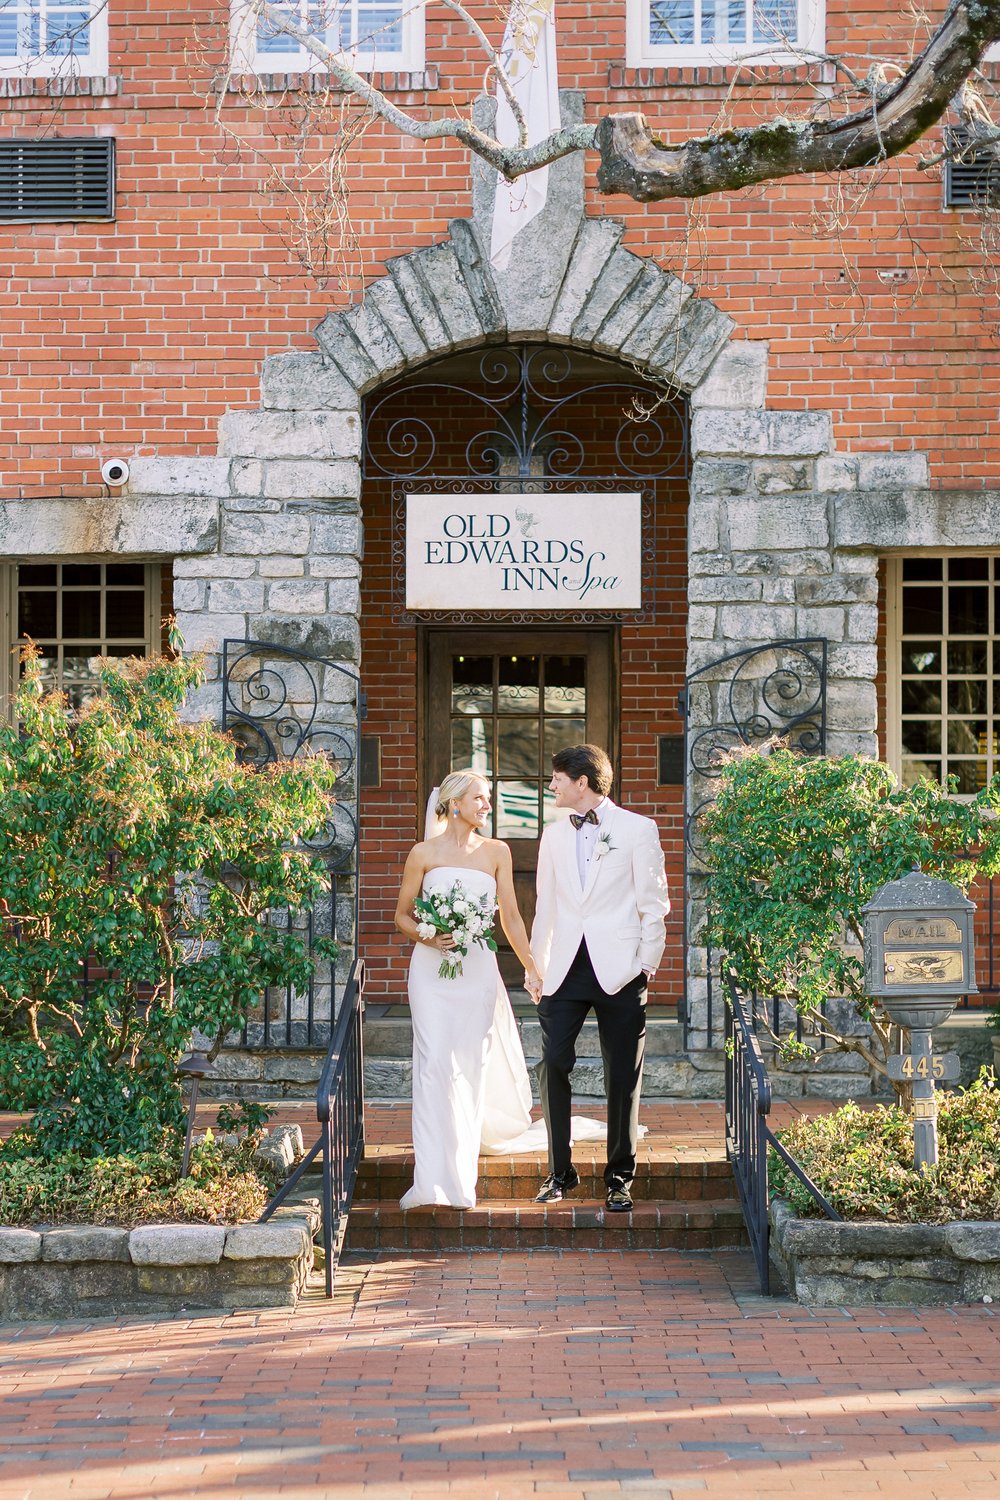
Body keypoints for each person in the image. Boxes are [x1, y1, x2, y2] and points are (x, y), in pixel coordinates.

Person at [393, 769, 545, 1210]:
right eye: (480, 798)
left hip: (477, 970)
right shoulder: (422, 853)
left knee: (469, 1066)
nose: (488, 805)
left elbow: (511, 918)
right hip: (431, 973)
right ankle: (432, 1178)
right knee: (435, 1064)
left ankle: (460, 1177)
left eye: (489, 798)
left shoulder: (498, 851)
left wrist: (531, 967)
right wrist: (428, 935)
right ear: (455, 803)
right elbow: (402, 915)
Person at [530, 744, 670, 1213]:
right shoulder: (551, 835)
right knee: (552, 1063)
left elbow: (655, 902)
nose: (551, 786)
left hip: (621, 969)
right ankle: (559, 1172)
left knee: (622, 1078)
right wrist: (536, 966)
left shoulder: (638, 829)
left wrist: (646, 963)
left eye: (557, 778)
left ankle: (619, 1178)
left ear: (582, 782)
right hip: (565, 969)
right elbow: (545, 906)